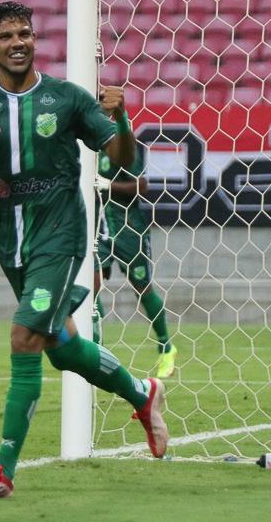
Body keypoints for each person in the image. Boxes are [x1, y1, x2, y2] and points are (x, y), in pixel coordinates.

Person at [0, 1, 168, 499]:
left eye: (26, 33)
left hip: (61, 235)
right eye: (8, 35)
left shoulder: (67, 98)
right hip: (11, 240)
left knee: (23, 338)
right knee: (60, 347)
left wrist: (120, 119)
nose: (19, 42)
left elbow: (120, 158)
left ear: (35, 40)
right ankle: (144, 396)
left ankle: (2, 471)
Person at [93, 140, 177, 379]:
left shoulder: (119, 145)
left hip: (130, 229)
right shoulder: (83, 145)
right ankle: (96, 355)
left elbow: (141, 186)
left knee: (143, 290)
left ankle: (166, 347)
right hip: (98, 228)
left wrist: (108, 185)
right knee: (93, 287)